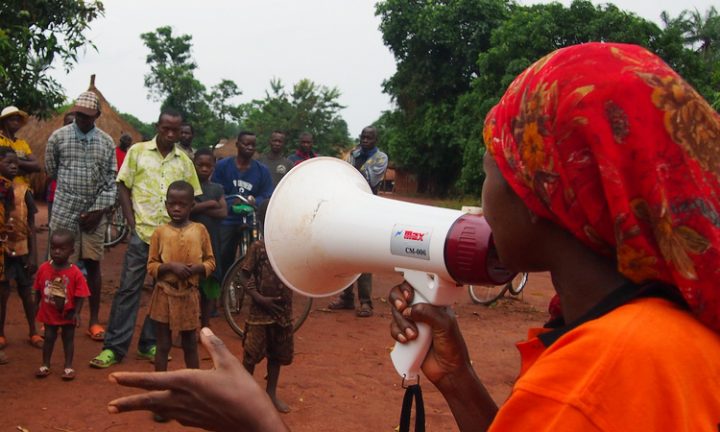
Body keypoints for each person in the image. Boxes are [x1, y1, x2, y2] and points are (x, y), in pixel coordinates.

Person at [107, 43, 720, 431]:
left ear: (546, 196)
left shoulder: (591, 385)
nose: (484, 196)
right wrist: (459, 380)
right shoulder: (659, 334)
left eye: (492, 170)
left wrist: (257, 421)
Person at [90, 108, 201, 368]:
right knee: (128, 290)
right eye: (166, 128)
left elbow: (193, 197)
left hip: (170, 240)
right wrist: (131, 223)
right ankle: (114, 348)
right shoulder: (137, 152)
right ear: (158, 126)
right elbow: (123, 186)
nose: (171, 134)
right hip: (142, 235)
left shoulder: (184, 162)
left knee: (163, 291)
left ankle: (149, 344)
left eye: (175, 130)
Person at [45, 91, 117, 342]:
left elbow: (111, 182)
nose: (83, 119)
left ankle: (93, 321)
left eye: (88, 116)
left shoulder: (106, 142)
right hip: (64, 210)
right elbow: (51, 170)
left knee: (93, 265)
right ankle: (56, 316)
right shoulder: (58, 137)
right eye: (79, 114)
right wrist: (72, 196)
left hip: (96, 213)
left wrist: (97, 212)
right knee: (60, 266)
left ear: (97, 115)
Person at [147, 180, 215, 420]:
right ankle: (160, 399)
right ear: (166, 204)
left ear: (191, 205)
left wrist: (197, 269)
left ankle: (194, 394)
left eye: (182, 204)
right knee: (163, 345)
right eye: (172, 204)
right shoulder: (159, 232)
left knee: (189, 344)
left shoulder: (200, 230)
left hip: (189, 294)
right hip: (164, 293)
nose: (176, 208)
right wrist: (170, 266)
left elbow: (211, 262)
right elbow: (151, 265)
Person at [328, 126, 388, 317]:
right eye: (363, 136)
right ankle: (347, 297)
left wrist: (350, 172)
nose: (365, 140)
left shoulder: (380, 158)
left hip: (368, 211)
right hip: (349, 209)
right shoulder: (353, 154)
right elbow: (342, 177)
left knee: (364, 256)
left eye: (369, 137)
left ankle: (366, 302)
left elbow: (369, 179)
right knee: (346, 253)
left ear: (376, 139)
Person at [240, 200, 294, 413]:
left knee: (277, 354)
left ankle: (270, 393)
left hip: (282, 312)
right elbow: (244, 276)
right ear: (263, 222)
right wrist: (258, 297)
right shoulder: (258, 248)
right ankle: (244, 396)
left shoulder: (290, 249)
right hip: (259, 311)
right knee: (251, 353)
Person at [211, 131, 273, 282]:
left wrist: (254, 200)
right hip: (228, 218)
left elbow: (267, 194)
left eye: (253, 145)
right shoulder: (222, 166)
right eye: (246, 144)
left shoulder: (262, 171)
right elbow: (216, 190)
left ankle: (254, 283)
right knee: (222, 252)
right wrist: (231, 201)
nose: (250, 147)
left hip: (251, 218)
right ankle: (221, 284)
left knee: (256, 253)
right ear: (238, 145)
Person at [35, 229, 90, 381]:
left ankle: (68, 366)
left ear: (71, 251)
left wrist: (76, 312)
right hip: (49, 312)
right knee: (49, 337)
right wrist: (36, 305)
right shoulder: (43, 268)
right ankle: (45, 364)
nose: (57, 252)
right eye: (53, 248)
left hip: (68, 313)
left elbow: (81, 295)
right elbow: (38, 289)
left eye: (62, 249)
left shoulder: (75, 272)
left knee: (68, 339)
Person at [0, 148, 40, 351]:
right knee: (2, 293)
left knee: (26, 291)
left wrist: (34, 255)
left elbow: (31, 224)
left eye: (16, 163)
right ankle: (1, 334)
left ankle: (33, 330)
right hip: (2, 251)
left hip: (22, 248)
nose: (14, 167)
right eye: (8, 163)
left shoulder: (24, 191)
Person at [190, 148, 227, 327]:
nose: (204, 169)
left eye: (208, 165)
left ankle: (205, 325)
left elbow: (223, 212)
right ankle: (188, 325)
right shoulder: (189, 187)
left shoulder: (216, 188)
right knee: (190, 284)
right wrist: (211, 204)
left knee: (209, 281)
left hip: (211, 241)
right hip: (191, 242)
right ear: (194, 165)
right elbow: (187, 210)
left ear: (213, 166)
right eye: (200, 165)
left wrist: (200, 207)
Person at [0, 105, 41, 185]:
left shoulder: (22, 143)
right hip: (3, 187)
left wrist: (17, 162)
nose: (16, 122)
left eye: (18, 120)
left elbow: (37, 166)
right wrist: (26, 169)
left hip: (23, 187)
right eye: (12, 120)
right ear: (4, 122)